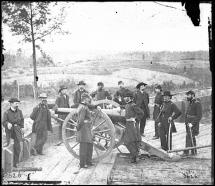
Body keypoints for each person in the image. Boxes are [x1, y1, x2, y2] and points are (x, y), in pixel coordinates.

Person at [123, 90, 145, 163]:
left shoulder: (133, 105)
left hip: (133, 125)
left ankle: (135, 157)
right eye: (125, 97)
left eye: (127, 97)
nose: (125, 98)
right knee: (127, 141)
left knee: (133, 141)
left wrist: (135, 119)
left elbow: (141, 113)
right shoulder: (127, 105)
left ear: (131, 98)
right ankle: (134, 156)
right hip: (128, 125)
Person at [76, 93, 96, 170]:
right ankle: (82, 164)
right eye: (88, 99)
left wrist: (91, 113)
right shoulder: (83, 107)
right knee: (83, 147)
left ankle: (88, 161)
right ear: (85, 99)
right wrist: (78, 128)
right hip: (84, 129)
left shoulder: (84, 106)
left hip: (87, 128)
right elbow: (81, 120)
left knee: (89, 145)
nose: (89, 100)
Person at [2, 98, 24, 167]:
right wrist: (7, 123)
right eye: (16, 103)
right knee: (9, 146)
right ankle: (7, 164)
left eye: (18, 103)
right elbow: (3, 122)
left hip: (17, 130)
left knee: (18, 147)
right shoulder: (6, 112)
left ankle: (15, 162)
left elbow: (22, 120)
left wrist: (22, 127)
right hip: (9, 131)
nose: (17, 104)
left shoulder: (19, 111)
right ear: (11, 104)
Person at [183, 90, 202, 156]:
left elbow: (199, 116)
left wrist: (192, 123)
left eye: (188, 95)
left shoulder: (197, 103)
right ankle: (194, 152)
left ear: (192, 95)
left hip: (193, 124)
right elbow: (187, 113)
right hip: (188, 123)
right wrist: (186, 122)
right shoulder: (190, 102)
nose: (187, 96)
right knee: (191, 137)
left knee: (189, 136)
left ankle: (186, 152)